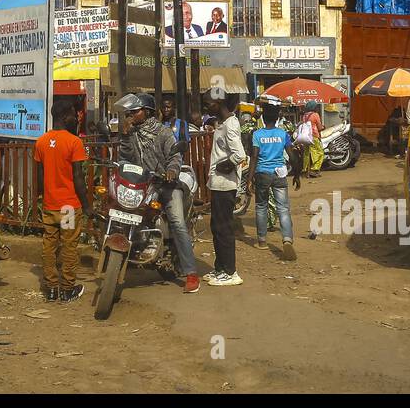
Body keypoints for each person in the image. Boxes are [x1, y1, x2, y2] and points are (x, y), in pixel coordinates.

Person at [115, 92, 200, 293]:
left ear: (147, 112)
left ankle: (191, 274)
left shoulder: (163, 132)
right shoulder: (132, 132)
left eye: (134, 112)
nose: (130, 116)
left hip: (166, 184)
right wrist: (125, 136)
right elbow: (125, 157)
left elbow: (175, 155)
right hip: (142, 184)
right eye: (129, 112)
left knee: (178, 223)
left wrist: (171, 170)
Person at [33, 100, 91, 302]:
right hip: (68, 206)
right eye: (74, 114)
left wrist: (41, 198)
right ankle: (67, 289)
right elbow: (78, 177)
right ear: (65, 115)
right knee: (69, 247)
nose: (76, 118)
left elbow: (40, 176)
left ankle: (50, 289)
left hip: (49, 205)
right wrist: (87, 205)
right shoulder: (74, 142)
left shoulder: (41, 142)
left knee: (49, 247)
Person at [205, 91, 247, 286]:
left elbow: (239, 154)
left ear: (219, 102)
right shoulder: (222, 123)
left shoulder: (230, 124)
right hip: (218, 183)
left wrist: (226, 164)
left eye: (209, 104)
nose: (207, 107)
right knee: (216, 227)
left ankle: (230, 272)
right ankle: (220, 268)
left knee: (224, 228)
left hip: (225, 185)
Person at [250, 102, 298, 261]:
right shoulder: (283, 134)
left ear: (263, 118)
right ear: (277, 118)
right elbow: (291, 156)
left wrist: (249, 178)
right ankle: (287, 239)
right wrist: (297, 174)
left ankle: (262, 241)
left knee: (261, 206)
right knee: (283, 208)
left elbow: (254, 157)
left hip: (262, 174)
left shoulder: (257, 135)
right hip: (280, 173)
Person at [301, 102, 325, 178]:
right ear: (314, 107)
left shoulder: (305, 116)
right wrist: (323, 127)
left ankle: (305, 170)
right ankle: (314, 169)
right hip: (314, 136)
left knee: (307, 154)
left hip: (306, 137)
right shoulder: (315, 115)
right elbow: (319, 127)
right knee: (319, 153)